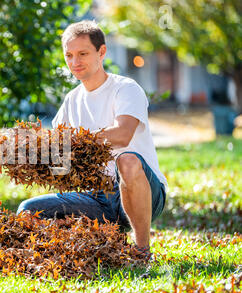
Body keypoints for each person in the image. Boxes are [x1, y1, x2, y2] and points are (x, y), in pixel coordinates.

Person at [16, 20, 168, 260]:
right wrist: (31, 147)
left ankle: (142, 252)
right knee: (28, 210)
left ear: (102, 52)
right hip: (96, 197)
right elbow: (58, 152)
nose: (75, 62)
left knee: (127, 160)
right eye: (69, 55)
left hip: (146, 192)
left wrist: (77, 140)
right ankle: (78, 253)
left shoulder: (125, 88)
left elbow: (122, 134)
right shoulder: (71, 100)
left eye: (83, 54)